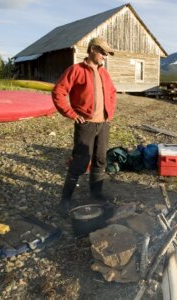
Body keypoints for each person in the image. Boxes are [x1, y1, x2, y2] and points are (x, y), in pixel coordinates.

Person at [52, 37, 117, 216]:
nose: (105, 56)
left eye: (106, 53)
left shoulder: (104, 73)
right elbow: (58, 91)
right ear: (92, 49)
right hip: (86, 124)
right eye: (102, 52)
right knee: (80, 162)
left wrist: (109, 114)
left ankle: (96, 194)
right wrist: (72, 114)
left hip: (103, 124)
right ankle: (65, 200)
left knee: (100, 159)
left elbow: (112, 92)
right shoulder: (76, 70)